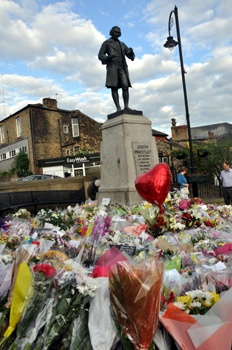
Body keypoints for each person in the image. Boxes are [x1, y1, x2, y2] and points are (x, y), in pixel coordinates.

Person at [98, 26, 135, 112]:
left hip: (122, 67)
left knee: (125, 86)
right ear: (111, 32)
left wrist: (131, 52)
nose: (117, 34)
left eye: (118, 32)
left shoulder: (122, 44)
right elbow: (100, 55)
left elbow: (130, 55)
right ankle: (118, 108)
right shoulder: (107, 43)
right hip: (113, 67)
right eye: (115, 32)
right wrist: (108, 57)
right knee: (114, 87)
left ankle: (126, 106)